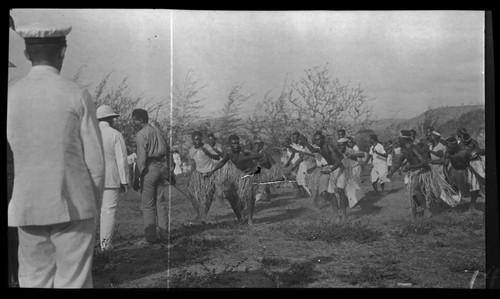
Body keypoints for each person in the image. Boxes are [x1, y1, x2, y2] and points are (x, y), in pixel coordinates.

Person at [8, 23, 105, 288]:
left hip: (26, 208)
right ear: (63, 52)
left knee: (34, 280)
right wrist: (93, 206)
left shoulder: (11, 96)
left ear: (27, 55)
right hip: (74, 205)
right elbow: (95, 164)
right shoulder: (77, 94)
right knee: (74, 282)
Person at [204, 134, 280, 225]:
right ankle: (240, 218)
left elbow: (258, 155)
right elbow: (222, 162)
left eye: (237, 143)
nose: (236, 145)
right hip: (239, 174)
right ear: (230, 144)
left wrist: (245, 157)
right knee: (230, 195)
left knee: (250, 196)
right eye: (233, 143)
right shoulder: (229, 153)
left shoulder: (244, 150)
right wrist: (212, 171)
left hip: (251, 173)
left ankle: (250, 220)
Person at [131, 108, 174, 244]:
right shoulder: (158, 131)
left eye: (134, 120)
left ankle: (150, 237)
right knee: (160, 203)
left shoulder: (141, 134)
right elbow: (168, 151)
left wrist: (137, 177)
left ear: (141, 120)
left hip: (149, 169)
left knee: (148, 205)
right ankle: (164, 234)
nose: (132, 122)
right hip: (161, 168)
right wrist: (170, 170)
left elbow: (141, 159)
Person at [96, 105, 129, 252]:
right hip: (110, 177)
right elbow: (121, 159)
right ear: (109, 118)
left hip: (90, 179)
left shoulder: (88, 134)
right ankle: (105, 245)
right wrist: (124, 180)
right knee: (108, 211)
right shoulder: (115, 134)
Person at [300, 131, 349, 222]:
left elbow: (338, 162)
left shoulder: (328, 146)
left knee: (340, 191)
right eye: (316, 140)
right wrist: (304, 141)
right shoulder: (321, 147)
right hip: (331, 168)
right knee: (331, 193)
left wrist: (329, 170)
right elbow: (313, 150)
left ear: (323, 138)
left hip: (338, 167)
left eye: (319, 139)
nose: (317, 141)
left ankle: (344, 214)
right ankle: (336, 214)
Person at [387, 131, 434, 218]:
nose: (398, 140)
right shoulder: (405, 149)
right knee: (412, 194)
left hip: (422, 172)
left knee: (415, 191)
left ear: (403, 139)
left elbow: (424, 162)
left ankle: (427, 211)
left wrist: (410, 167)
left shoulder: (413, 148)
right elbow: (399, 162)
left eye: (399, 138)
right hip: (414, 173)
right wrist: (391, 173)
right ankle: (417, 211)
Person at [187, 131, 221, 222]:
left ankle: (204, 214)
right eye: (195, 139)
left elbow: (217, 157)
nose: (197, 141)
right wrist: (190, 177)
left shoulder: (207, 146)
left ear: (201, 139)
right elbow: (193, 164)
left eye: (199, 139)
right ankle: (198, 214)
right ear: (192, 139)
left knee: (208, 195)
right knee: (192, 194)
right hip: (198, 173)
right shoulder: (191, 150)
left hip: (209, 172)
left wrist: (207, 152)